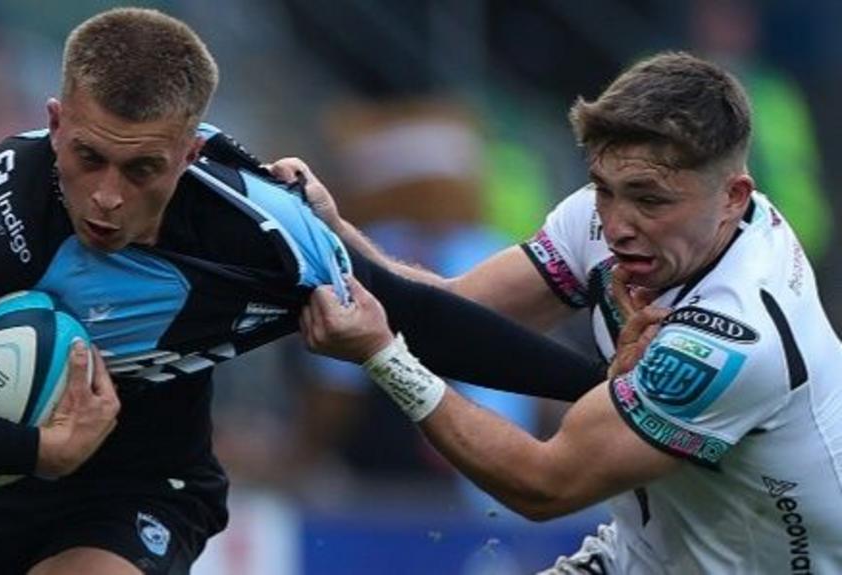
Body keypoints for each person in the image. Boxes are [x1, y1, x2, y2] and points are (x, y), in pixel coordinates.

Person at [0, 8, 619, 575]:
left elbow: (416, 317)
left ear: (192, 150)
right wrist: (40, 448)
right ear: (56, 121)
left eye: (142, 170)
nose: (106, 197)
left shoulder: (264, 229)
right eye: (88, 157)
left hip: (137, 491)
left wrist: (607, 387)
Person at [281, 51, 842, 573]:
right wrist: (334, 234)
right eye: (605, 188)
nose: (618, 224)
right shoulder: (606, 220)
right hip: (643, 555)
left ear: (734, 196)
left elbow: (544, 487)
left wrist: (383, 357)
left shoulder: (734, 337)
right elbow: (449, 317)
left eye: (650, 200)